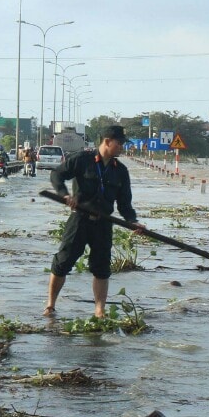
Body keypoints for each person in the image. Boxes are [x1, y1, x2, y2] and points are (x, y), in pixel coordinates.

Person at [44, 125, 145, 318]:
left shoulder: (121, 171)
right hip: (80, 220)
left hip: (103, 224)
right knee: (63, 262)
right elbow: (56, 174)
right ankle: (51, 305)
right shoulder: (83, 160)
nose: (122, 147)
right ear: (107, 141)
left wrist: (133, 221)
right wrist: (65, 195)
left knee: (101, 267)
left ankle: (100, 310)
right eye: (119, 143)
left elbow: (125, 203)